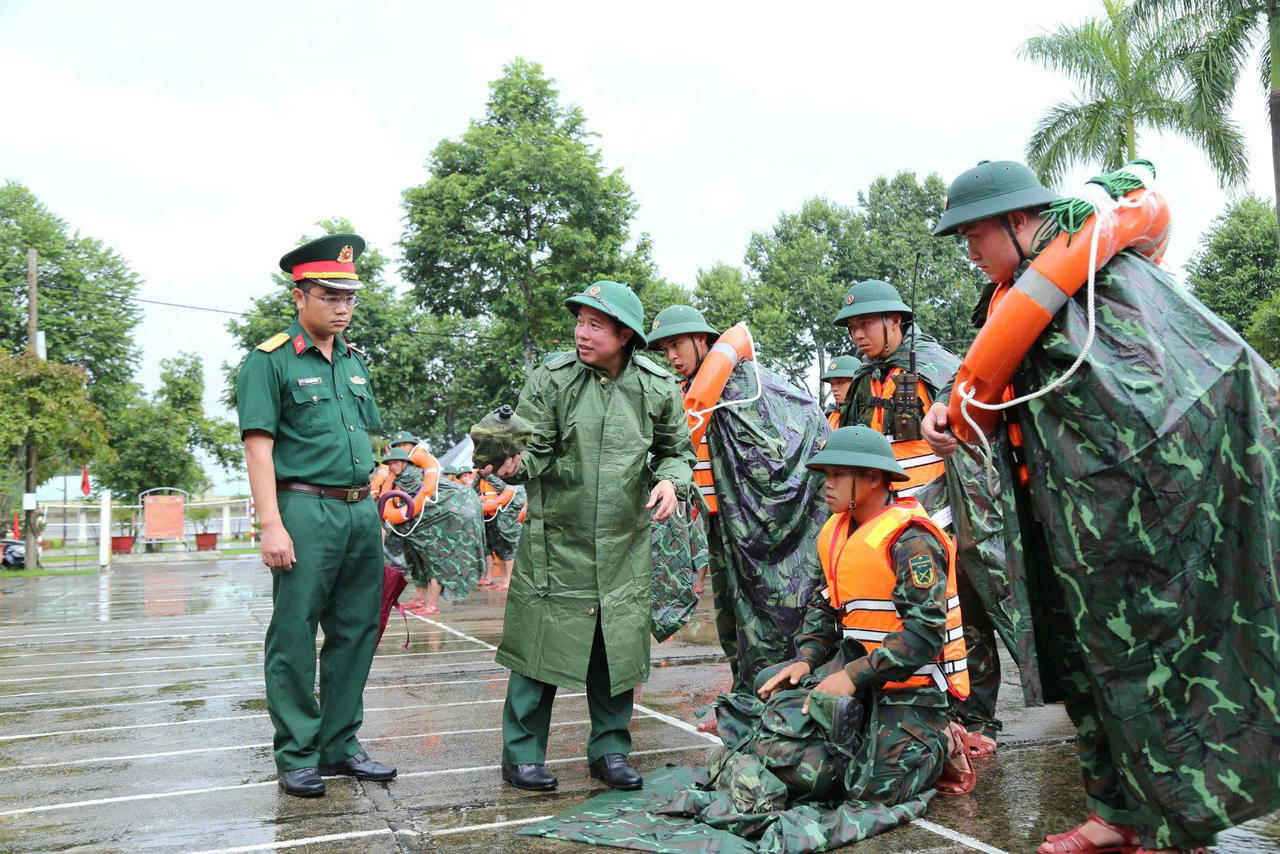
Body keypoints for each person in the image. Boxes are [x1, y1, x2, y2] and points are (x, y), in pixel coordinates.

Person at [925, 159, 1280, 853]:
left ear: (1021, 222)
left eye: (974, 232)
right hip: (1060, 531)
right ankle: (1113, 811)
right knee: (1084, 673)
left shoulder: (1106, 286)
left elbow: (1166, 392)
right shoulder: (1011, 308)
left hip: (1134, 532)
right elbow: (997, 404)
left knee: (1150, 672)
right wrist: (951, 415)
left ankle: (1172, 822)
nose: (968, 248)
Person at [486, 280, 696, 793]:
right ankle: (522, 755)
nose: (582, 333)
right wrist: (510, 463)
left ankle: (610, 750)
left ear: (625, 334)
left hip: (624, 540)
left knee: (616, 649)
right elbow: (530, 448)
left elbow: (677, 449)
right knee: (538, 647)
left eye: (595, 325)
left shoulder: (657, 385)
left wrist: (671, 479)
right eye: (579, 322)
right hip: (558, 538)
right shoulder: (552, 379)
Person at [235, 233, 396, 798]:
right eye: (331, 296)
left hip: (358, 512)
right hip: (302, 508)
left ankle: (340, 746)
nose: (343, 307)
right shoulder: (270, 361)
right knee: (295, 635)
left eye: (350, 298)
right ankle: (297, 754)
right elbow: (259, 448)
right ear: (299, 295)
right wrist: (271, 524)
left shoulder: (354, 363)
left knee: (357, 631)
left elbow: (369, 440)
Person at [831, 279, 1005, 758]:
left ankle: (979, 718)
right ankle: (925, 709)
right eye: (851, 326)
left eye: (866, 323)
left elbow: (973, 442)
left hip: (944, 519)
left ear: (897, 320)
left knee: (963, 619)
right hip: (887, 525)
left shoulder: (938, 370)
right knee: (897, 620)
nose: (858, 334)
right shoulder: (864, 382)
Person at [757, 425, 974, 804]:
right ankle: (859, 731)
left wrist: (850, 678)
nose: (827, 483)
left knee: (872, 790)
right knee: (773, 697)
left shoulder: (912, 541)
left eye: (839, 474)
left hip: (911, 690)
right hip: (863, 678)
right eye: (826, 474)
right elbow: (827, 605)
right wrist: (806, 661)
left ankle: (941, 738)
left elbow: (923, 637)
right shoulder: (837, 530)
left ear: (873, 478)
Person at [648, 304, 829, 714]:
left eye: (677, 345)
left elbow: (788, 441)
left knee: (767, 616)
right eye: (664, 349)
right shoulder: (686, 393)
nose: (672, 356)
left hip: (757, 528)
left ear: (703, 340)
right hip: (721, 527)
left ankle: (775, 700)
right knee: (731, 618)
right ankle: (745, 695)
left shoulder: (746, 386)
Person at [475, 472, 524, 591]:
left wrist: (488, 475)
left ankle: (509, 580)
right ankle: (504, 579)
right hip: (491, 518)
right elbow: (473, 491)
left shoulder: (503, 476)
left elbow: (504, 489)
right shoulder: (479, 479)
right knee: (499, 550)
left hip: (505, 517)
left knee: (508, 549)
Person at [819, 355, 859, 430]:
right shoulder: (830, 412)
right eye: (832, 384)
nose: (834, 389)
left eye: (840, 382)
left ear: (857, 383)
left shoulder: (868, 412)